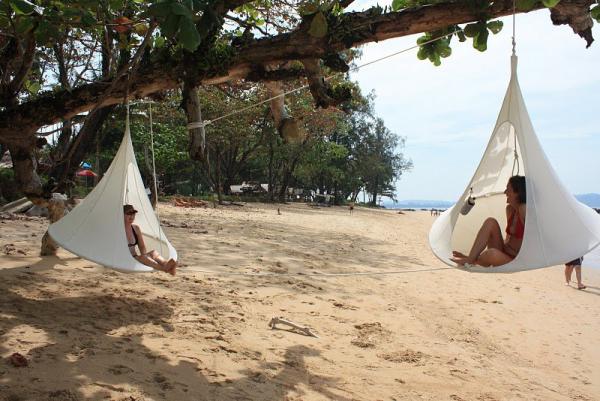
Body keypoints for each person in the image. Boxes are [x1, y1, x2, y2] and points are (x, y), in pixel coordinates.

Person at [451, 175, 526, 267]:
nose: (505, 192)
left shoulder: (523, 209)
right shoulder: (510, 210)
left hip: (513, 259)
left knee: (491, 254)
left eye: (508, 189)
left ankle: (472, 260)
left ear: (517, 192)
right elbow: (508, 237)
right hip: (503, 251)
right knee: (491, 222)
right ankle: (471, 258)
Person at [123, 204, 177, 275]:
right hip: (125, 259)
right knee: (143, 258)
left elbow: (142, 246)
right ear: (122, 215)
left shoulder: (135, 228)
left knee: (153, 253)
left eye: (133, 214)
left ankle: (166, 264)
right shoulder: (119, 229)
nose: (132, 216)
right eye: (129, 214)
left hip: (135, 257)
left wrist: (145, 256)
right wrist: (144, 258)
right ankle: (166, 269)